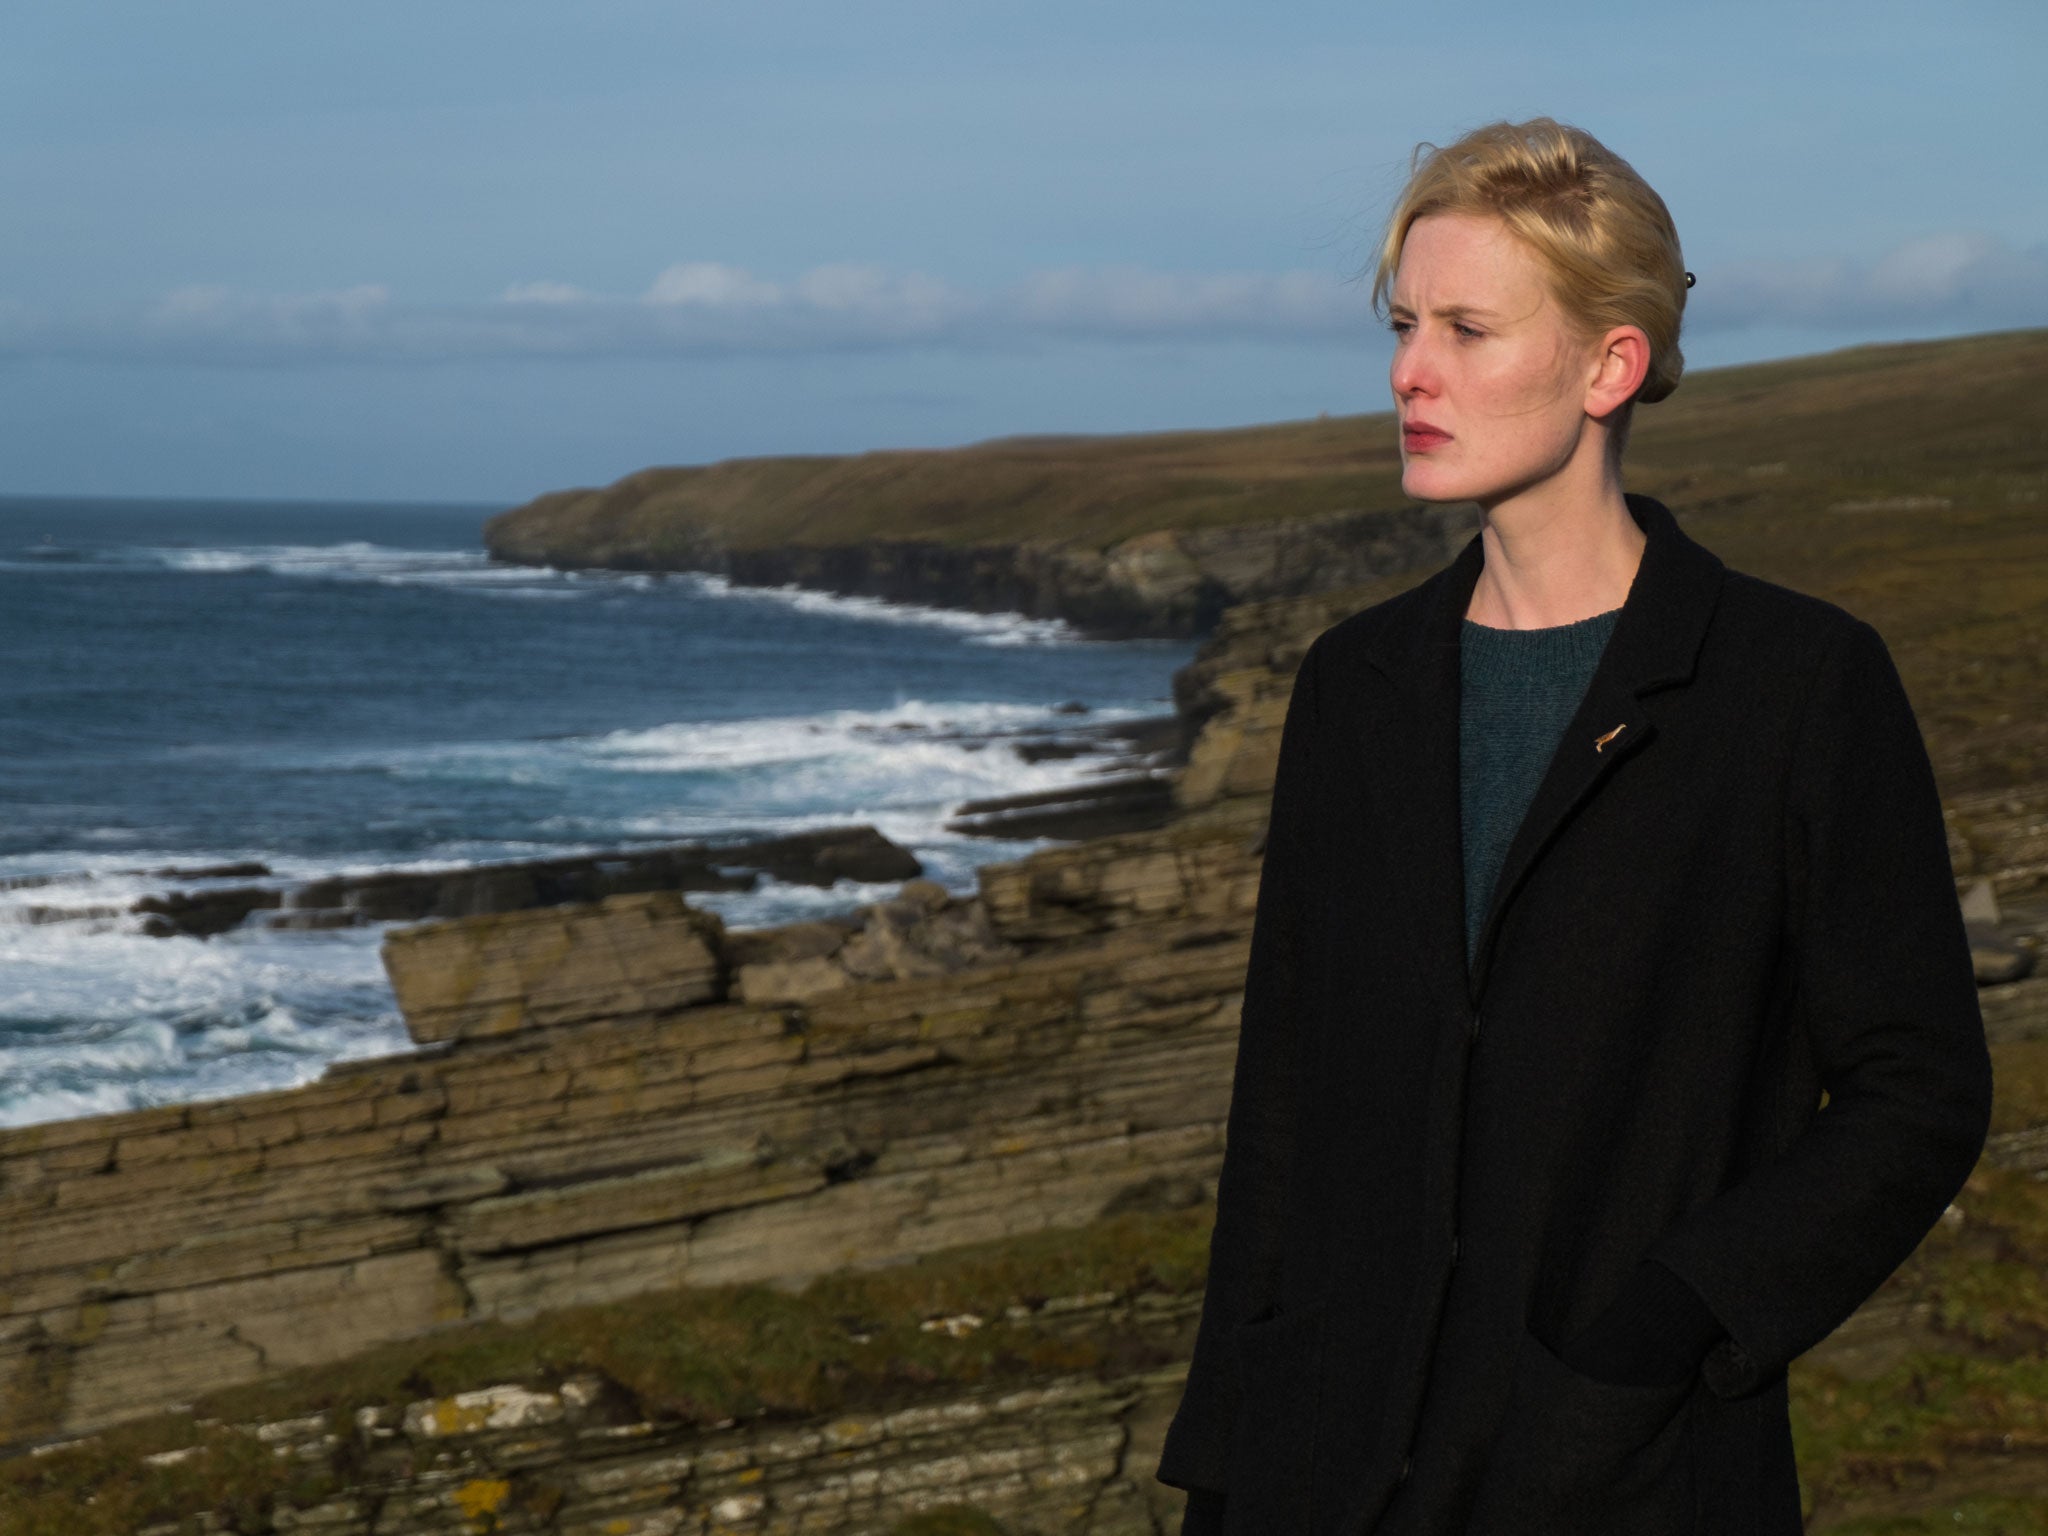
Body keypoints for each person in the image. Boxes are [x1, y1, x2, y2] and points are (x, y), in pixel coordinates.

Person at [1154, 118, 1992, 1535]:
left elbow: (1920, 1094)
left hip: (1625, 1475)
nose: (1412, 371)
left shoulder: (1793, 685)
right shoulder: (1355, 686)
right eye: (1407, 323)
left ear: (1610, 364)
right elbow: (1284, 1114)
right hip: (1323, 1475)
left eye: (1471, 329)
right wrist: (1225, 1471)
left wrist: (1658, 1330)